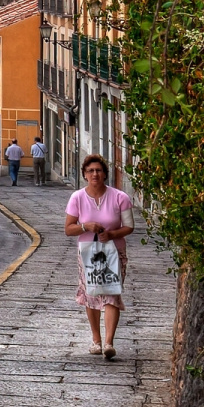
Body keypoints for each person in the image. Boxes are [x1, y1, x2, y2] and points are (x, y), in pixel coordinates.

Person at [66, 154, 133, 359]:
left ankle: (109, 343)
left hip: (114, 252)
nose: (95, 174)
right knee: (91, 294)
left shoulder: (120, 197)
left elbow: (129, 226)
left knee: (112, 293)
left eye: (98, 170)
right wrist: (86, 226)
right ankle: (96, 340)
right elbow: (69, 229)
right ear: (85, 175)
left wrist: (112, 234)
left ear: (105, 174)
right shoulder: (77, 197)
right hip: (88, 254)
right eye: (90, 171)